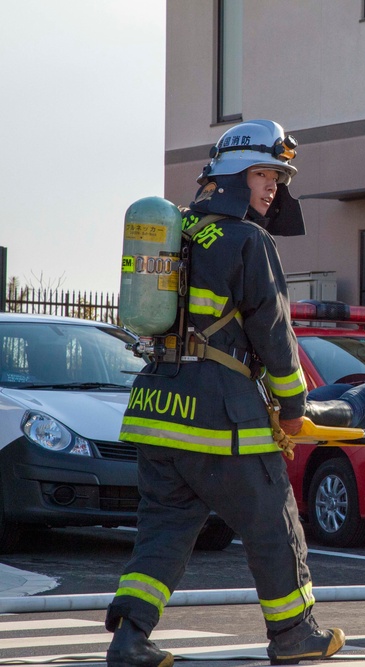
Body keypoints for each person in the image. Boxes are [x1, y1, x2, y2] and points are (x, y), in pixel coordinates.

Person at [106, 120, 344, 667]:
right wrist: (292, 408)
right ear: (237, 174)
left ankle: (130, 636)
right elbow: (275, 334)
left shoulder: (175, 229)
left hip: (156, 409)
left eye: (279, 177)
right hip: (220, 415)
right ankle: (294, 635)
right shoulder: (248, 240)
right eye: (265, 174)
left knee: (162, 531)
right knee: (274, 521)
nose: (274, 188)